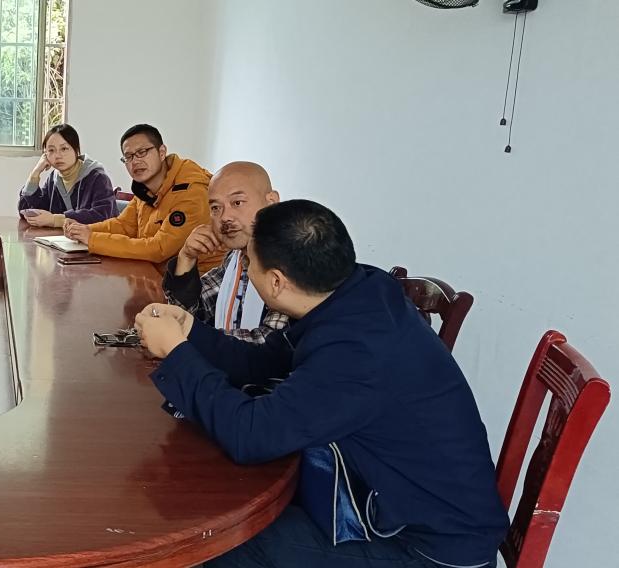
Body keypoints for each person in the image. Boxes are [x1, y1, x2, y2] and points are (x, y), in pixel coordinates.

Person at [133, 200, 508, 568]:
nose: (244, 266)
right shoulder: (358, 291)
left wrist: (177, 353)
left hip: (430, 548)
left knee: (223, 540)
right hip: (387, 500)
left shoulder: (357, 351)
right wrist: (191, 332)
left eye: (248, 261)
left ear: (276, 282)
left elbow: (251, 435)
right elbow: (263, 362)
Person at [162, 161, 289, 343]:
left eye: (237, 203)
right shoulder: (236, 258)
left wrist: (184, 331)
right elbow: (191, 311)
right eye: (216, 208)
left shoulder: (291, 259)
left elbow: (267, 345)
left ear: (271, 202)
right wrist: (186, 258)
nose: (224, 217)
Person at [63, 124, 222, 270]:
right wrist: (84, 229)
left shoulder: (192, 193)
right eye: (129, 156)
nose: (135, 162)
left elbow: (159, 249)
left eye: (142, 152)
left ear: (161, 152)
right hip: (152, 271)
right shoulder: (145, 189)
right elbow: (124, 225)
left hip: (194, 283)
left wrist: (92, 239)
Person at [18, 123, 115, 227]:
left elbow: (102, 216)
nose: (58, 155)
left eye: (64, 149)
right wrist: (34, 174)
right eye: (51, 150)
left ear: (76, 150)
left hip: (98, 236)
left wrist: (55, 220)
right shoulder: (54, 178)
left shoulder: (98, 178)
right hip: (62, 237)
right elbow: (28, 211)